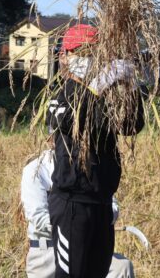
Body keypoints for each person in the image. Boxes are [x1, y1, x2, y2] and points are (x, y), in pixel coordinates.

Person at [47, 24, 145, 278]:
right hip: (73, 204)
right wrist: (97, 85)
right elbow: (69, 120)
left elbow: (131, 126)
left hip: (102, 203)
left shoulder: (107, 101)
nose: (87, 58)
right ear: (64, 56)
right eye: (80, 52)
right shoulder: (62, 96)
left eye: (93, 52)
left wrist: (131, 86)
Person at [21, 150, 135, 278]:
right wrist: (76, 227)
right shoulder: (35, 169)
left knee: (122, 268)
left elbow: (111, 205)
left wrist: (98, 218)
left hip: (86, 247)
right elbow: (38, 216)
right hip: (47, 253)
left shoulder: (90, 165)